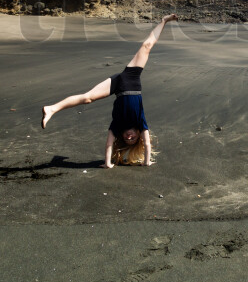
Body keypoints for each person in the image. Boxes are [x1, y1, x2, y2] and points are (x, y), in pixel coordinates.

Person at [41, 13, 178, 168]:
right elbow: (147, 144)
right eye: (133, 138)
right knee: (147, 46)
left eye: (127, 140)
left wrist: (108, 164)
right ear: (138, 135)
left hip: (118, 86)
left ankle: (51, 109)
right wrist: (146, 162)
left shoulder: (117, 125)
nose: (129, 137)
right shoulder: (141, 124)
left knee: (87, 98)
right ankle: (164, 21)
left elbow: (108, 144)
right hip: (130, 76)